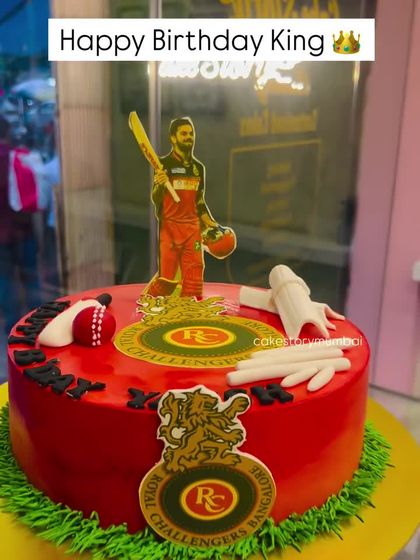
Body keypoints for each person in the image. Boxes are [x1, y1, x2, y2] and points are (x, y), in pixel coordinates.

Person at [146, 117, 234, 298]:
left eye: (191, 133)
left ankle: (189, 313)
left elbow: (199, 203)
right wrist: (160, 185)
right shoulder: (163, 165)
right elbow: (156, 200)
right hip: (170, 228)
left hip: (192, 229)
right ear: (173, 138)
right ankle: (145, 304)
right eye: (183, 133)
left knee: (194, 284)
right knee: (167, 283)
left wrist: (213, 225)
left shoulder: (198, 168)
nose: (189, 137)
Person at [0, 116, 41, 333]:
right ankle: (37, 323)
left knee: (5, 281)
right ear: (7, 133)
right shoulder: (19, 158)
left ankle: (12, 328)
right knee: (31, 278)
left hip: (2, 236)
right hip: (23, 230)